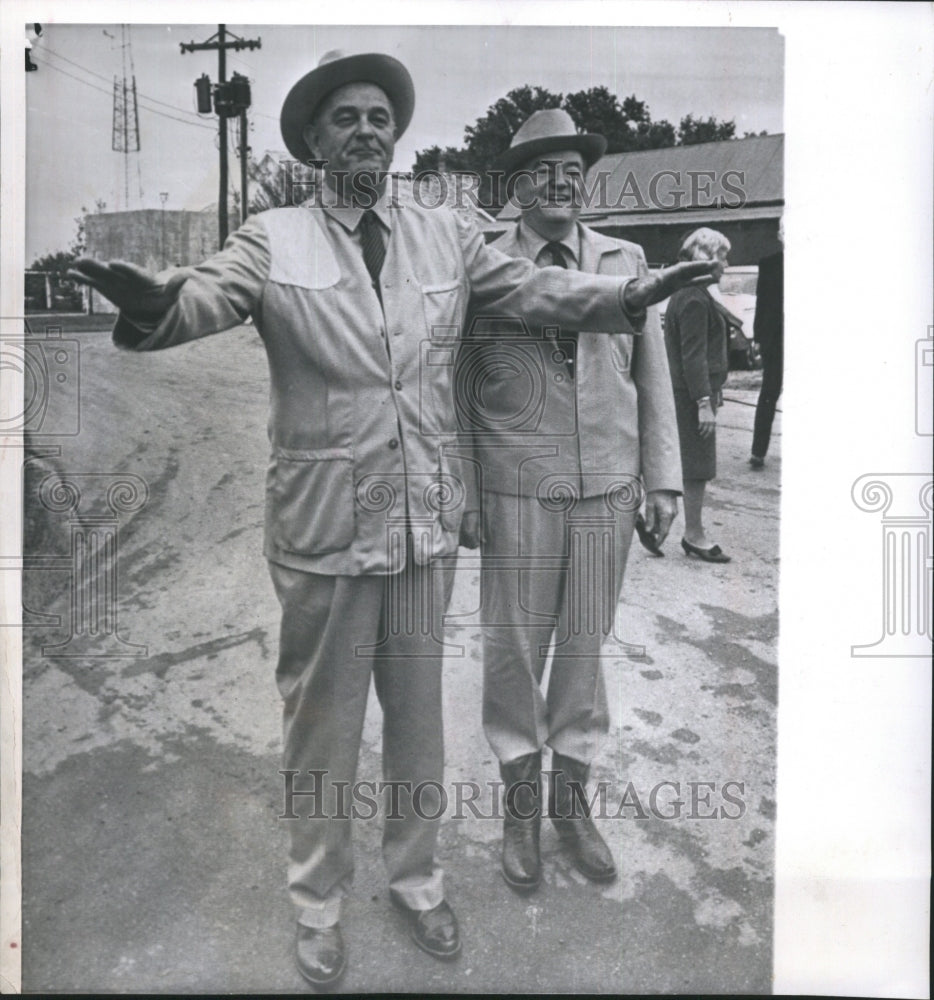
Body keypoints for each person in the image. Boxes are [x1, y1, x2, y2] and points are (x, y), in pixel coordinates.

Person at [69, 51, 713, 988]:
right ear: (314, 142)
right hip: (325, 536)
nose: (366, 130)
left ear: (395, 134)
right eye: (345, 119)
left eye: (379, 116)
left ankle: (417, 883)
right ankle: (318, 905)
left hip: (420, 536)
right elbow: (202, 297)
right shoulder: (272, 236)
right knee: (322, 734)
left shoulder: (442, 234)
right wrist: (152, 304)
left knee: (419, 731)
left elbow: (539, 291)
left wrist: (635, 293)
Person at [456, 110, 683, 893]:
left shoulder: (627, 261)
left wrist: (663, 481)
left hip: (608, 489)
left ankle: (570, 806)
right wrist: (465, 490)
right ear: (516, 182)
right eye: (544, 167)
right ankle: (519, 812)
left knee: (585, 650)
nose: (560, 181)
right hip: (516, 486)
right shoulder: (481, 264)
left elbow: (652, 379)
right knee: (513, 650)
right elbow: (457, 388)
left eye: (572, 169)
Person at [663, 227, 732, 563]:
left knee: (689, 465)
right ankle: (693, 535)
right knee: (696, 467)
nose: (727, 264)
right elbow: (694, 355)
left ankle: (655, 524)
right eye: (722, 256)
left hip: (691, 392)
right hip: (691, 395)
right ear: (706, 258)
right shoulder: (693, 298)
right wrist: (703, 402)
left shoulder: (693, 294)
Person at [750, 221, 784, 468]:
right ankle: (758, 451)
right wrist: (758, 338)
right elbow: (762, 304)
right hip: (776, 340)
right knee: (769, 393)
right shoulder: (770, 264)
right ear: (780, 235)